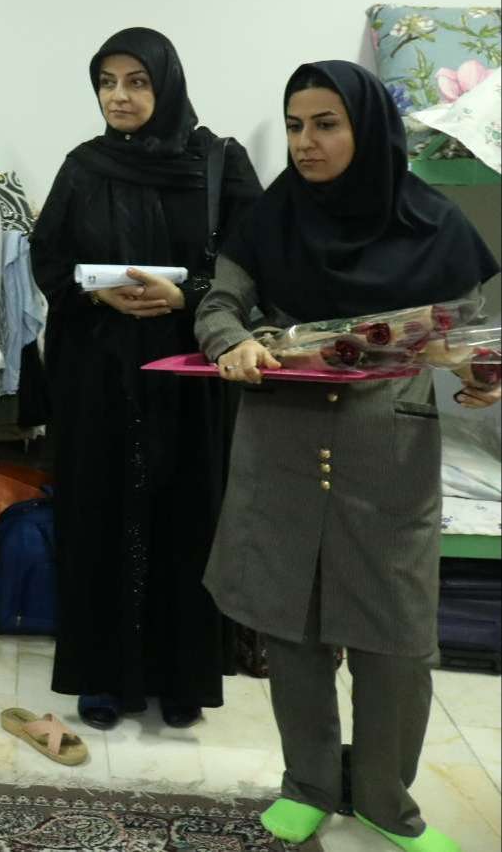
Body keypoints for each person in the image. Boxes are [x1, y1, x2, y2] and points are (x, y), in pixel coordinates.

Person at [198, 60, 499, 852]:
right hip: (281, 445)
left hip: (384, 452)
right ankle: (307, 785)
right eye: (294, 125)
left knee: (394, 642)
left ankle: (383, 803)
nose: (305, 142)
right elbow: (219, 302)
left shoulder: (433, 223)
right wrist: (229, 344)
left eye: (325, 124)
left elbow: (462, 336)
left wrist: (476, 374)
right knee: (293, 633)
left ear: (365, 130)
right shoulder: (269, 220)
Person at [30, 27, 262, 730]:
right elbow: (48, 258)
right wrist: (92, 290)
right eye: (106, 81)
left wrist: (185, 296)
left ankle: (181, 676)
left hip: (188, 375)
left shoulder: (218, 163)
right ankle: (99, 676)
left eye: (135, 81)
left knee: (186, 515)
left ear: (165, 85)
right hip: (98, 374)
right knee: (98, 516)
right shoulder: (82, 165)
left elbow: (253, 264)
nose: (119, 96)